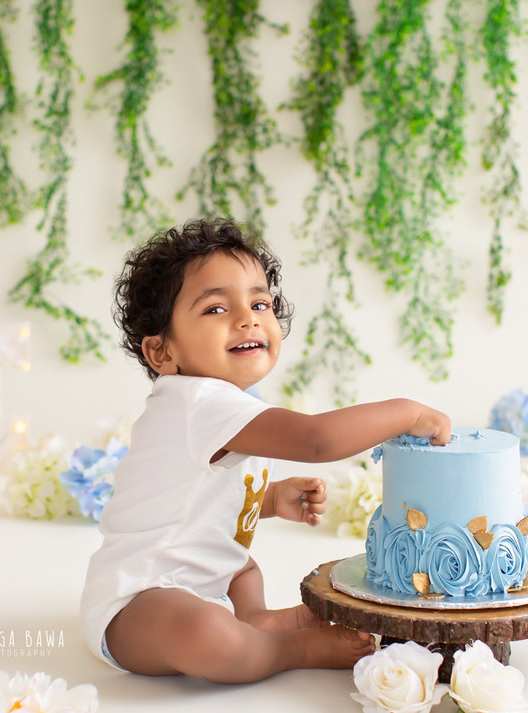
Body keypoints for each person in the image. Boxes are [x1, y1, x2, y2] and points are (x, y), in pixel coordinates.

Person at [79, 218, 451, 683]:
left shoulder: (226, 406)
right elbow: (316, 439)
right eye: (216, 309)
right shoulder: (197, 400)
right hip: (136, 606)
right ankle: (285, 647)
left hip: (199, 586)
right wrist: (406, 413)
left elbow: (203, 496)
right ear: (162, 353)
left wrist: (271, 499)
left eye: (259, 303)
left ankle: (253, 617)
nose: (248, 318)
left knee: (241, 563)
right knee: (210, 636)